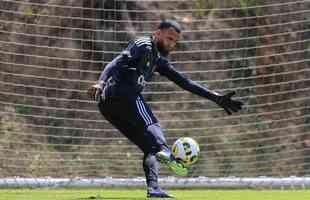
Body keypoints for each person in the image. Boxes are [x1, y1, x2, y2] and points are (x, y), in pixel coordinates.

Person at [88, 20, 243, 198]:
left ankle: (153, 188)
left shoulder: (158, 61)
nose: (171, 44)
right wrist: (100, 82)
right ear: (158, 33)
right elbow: (117, 62)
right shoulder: (143, 45)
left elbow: (185, 82)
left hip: (107, 106)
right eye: (169, 38)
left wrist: (215, 97)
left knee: (149, 147)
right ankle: (166, 152)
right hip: (122, 95)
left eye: (174, 41)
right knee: (154, 130)